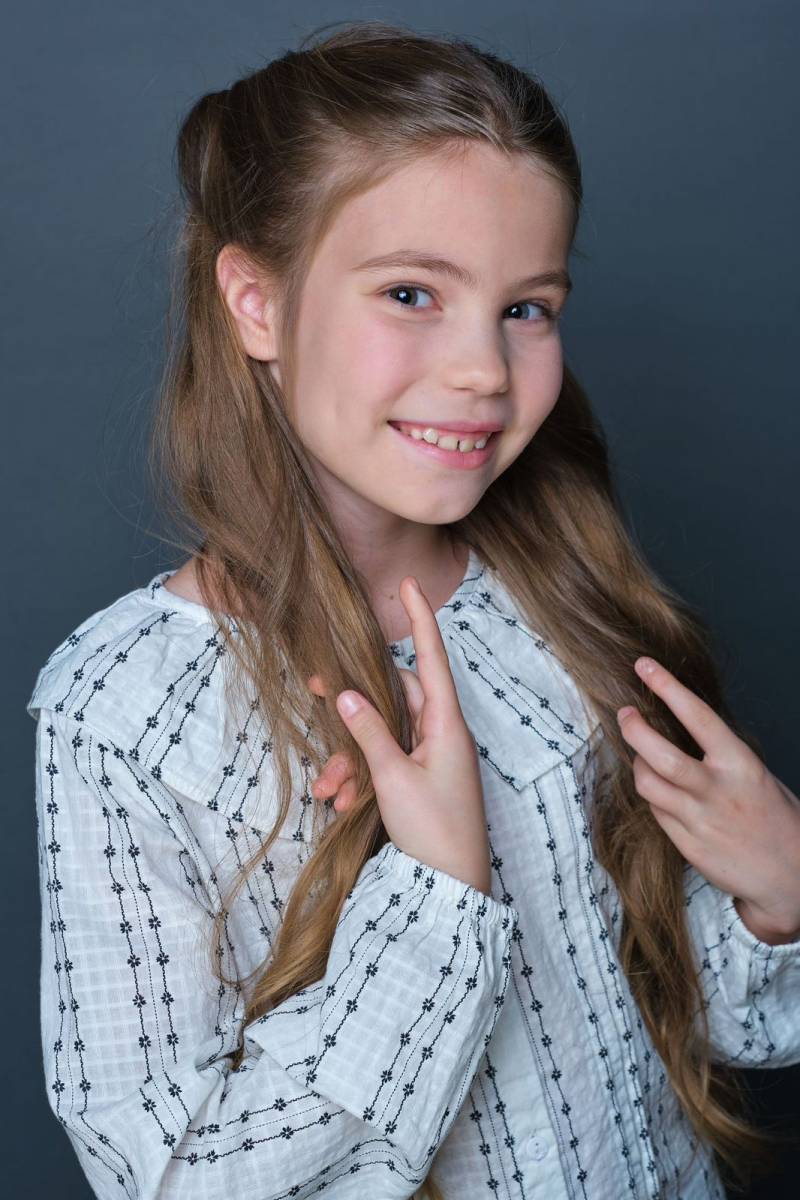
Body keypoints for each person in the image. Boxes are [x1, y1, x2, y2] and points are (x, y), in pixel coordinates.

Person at [26, 19, 800, 1200]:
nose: (483, 368)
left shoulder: (562, 597)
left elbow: (688, 1021)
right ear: (256, 303)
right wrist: (435, 892)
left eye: (526, 307)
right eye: (409, 293)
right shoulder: (125, 712)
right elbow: (168, 1175)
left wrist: (776, 894)